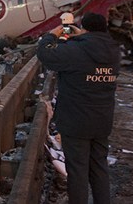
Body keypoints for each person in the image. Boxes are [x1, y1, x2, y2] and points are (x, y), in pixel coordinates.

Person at [37, 12, 120, 204]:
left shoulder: (75, 50)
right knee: (99, 167)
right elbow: (89, 58)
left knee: (77, 170)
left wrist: (52, 35)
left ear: (85, 28)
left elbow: (45, 54)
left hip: (76, 120)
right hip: (102, 119)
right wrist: (79, 38)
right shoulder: (113, 50)